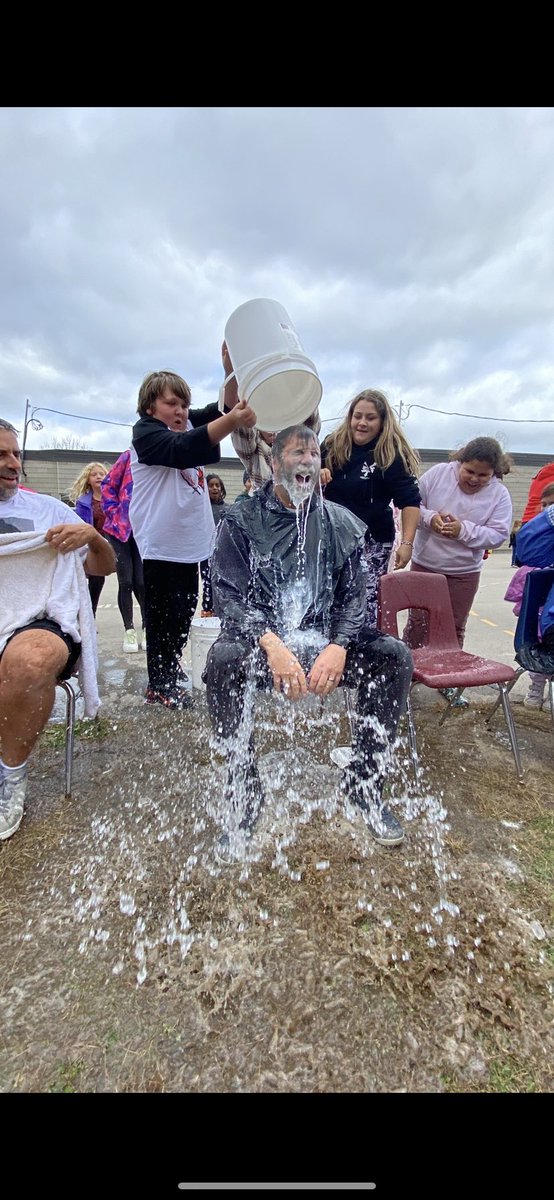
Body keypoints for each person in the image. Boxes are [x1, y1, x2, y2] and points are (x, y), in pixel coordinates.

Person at [204, 423, 413, 860]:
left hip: (321, 641)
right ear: (274, 463)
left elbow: (356, 597)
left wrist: (339, 645)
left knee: (392, 656)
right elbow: (227, 596)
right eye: (296, 453)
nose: (306, 461)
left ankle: (365, 782)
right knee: (223, 660)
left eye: (313, 455)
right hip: (265, 645)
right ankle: (245, 791)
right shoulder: (240, 520)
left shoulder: (340, 523)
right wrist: (271, 644)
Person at [0, 419, 116, 841]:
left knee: (29, 660)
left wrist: (93, 537)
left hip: (39, 616)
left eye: (16, 454)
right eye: (2, 455)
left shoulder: (47, 511)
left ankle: (9, 778)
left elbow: (103, 566)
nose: (13, 464)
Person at [129, 360, 256, 709]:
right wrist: (232, 421)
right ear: (150, 406)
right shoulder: (146, 435)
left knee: (184, 612)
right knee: (161, 617)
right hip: (161, 545)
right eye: (172, 404)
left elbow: (222, 409)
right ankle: (159, 682)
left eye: (184, 405)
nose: (181, 411)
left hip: (190, 546)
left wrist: (231, 370)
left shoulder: (185, 424)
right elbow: (186, 448)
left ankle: (171, 669)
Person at [403, 436, 513, 706]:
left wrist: (463, 530)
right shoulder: (438, 474)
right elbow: (414, 506)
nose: (474, 479)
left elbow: (498, 535)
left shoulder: (499, 494)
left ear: (494, 473)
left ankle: (448, 679)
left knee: (453, 629)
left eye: (483, 475)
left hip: (464, 571)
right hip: (426, 564)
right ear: (459, 462)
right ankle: (405, 676)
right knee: (417, 624)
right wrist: (432, 519)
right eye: (470, 471)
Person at [320, 389, 421, 630]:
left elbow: (409, 502)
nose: (362, 423)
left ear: (383, 421)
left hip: (373, 541)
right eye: (358, 416)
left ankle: (360, 652)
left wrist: (407, 544)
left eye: (370, 417)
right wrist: (316, 475)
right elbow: (301, 478)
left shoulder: (391, 453)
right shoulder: (332, 444)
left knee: (364, 601)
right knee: (330, 598)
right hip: (333, 539)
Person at [100, 449, 146, 654]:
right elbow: (107, 485)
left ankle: (147, 626)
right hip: (119, 529)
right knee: (126, 581)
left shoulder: (157, 459)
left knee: (142, 582)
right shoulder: (128, 457)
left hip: (143, 529)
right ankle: (129, 629)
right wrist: (114, 512)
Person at [69, 462, 110, 616]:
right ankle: (89, 616)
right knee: (96, 580)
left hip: (115, 542)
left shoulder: (113, 498)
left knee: (130, 581)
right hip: (95, 544)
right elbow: (80, 524)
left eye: (102, 474)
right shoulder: (84, 502)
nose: (99, 476)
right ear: (88, 480)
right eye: (94, 474)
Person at [200, 473, 231, 616]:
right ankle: (207, 609)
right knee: (208, 583)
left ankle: (223, 610)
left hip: (224, 554)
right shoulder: (202, 509)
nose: (214, 488)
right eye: (211, 485)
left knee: (224, 583)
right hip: (206, 554)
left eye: (217, 485)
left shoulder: (229, 509)